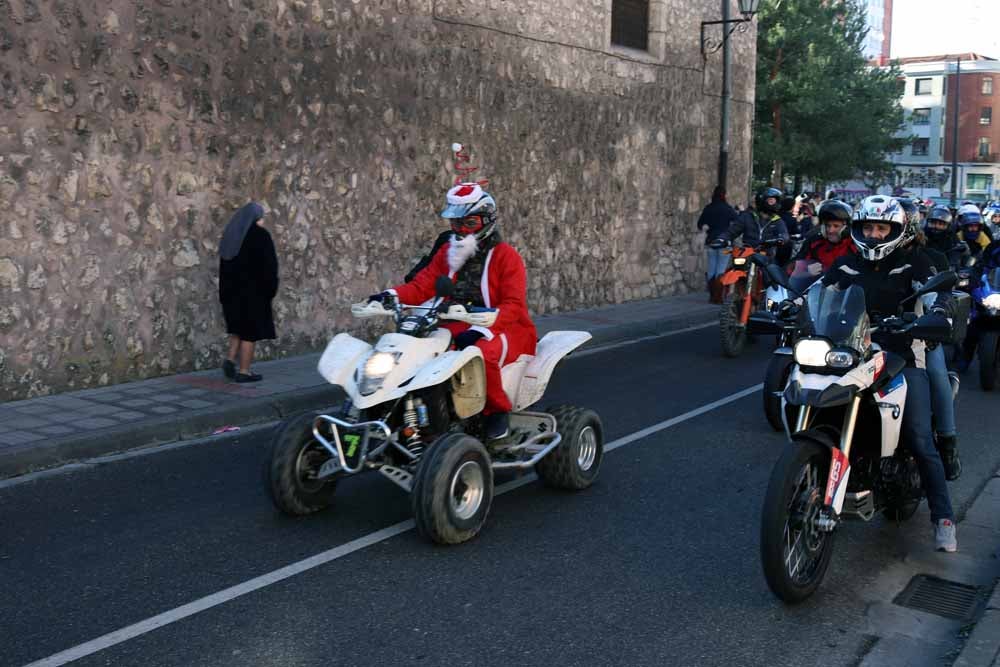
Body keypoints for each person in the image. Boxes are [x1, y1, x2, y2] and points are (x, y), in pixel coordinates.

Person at [823, 195, 958, 552]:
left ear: (896, 231)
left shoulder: (914, 262)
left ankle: (943, 517)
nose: (874, 234)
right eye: (868, 227)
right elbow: (821, 290)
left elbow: (935, 295)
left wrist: (938, 312)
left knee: (918, 435)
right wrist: (789, 305)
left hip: (901, 356)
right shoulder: (849, 263)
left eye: (881, 228)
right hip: (853, 354)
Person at [369, 182, 536, 441]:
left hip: (504, 327)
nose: (460, 230)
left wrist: (482, 327)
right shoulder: (448, 252)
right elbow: (422, 284)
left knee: (480, 353)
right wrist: (390, 296)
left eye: (468, 224)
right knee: (416, 349)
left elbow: (513, 306)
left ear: (486, 221)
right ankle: (419, 413)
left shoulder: (507, 256)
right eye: (456, 224)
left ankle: (496, 411)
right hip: (454, 322)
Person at [897, 200, 962, 480]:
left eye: (889, 228)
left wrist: (934, 317)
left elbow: (940, 296)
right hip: (872, 333)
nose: (878, 234)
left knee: (936, 374)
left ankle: (947, 443)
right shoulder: (867, 259)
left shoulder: (932, 258)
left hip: (918, 336)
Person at [218, 202, 279, 383]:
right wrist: (270, 290)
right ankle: (244, 371)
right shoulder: (260, 236)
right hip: (254, 295)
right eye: (260, 217)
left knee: (238, 328)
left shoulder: (231, 236)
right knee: (250, 334)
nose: (262, 221)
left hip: (231, 295)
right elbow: (269, 267)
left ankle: (230, 360)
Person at [697, 186, 739, 304]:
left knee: (711, 269)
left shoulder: (708, 208)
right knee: (721, 269)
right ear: (724, 195)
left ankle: (712, 296)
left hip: (711, 242)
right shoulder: (728, 209)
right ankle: (718, 297)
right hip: (724, 242)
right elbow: (737, 222)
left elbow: (700, 224)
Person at [714, 186, 789, 250]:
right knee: (734, 267)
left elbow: (784, 234)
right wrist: (721, 239)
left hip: (766, 256)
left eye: (776, 201)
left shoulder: (778, 221)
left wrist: (781, 239)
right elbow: (732, 231)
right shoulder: (748, 216)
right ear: (762, 200)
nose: (775, 204)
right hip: (747, 254)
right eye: (771, 201)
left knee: (772, 267)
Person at [793, 199, 855, 271]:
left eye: (836, 226)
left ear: (846, 228)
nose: (830, 230)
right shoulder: (814, 242)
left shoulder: (855, 246)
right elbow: (794, 265)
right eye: (827, 225)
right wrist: (806, 269)